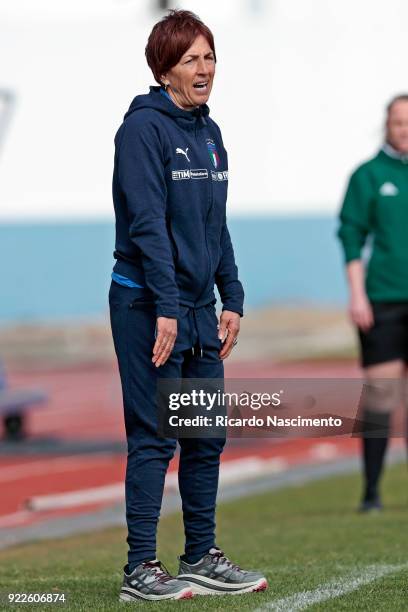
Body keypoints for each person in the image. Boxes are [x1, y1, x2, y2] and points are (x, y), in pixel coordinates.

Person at [109, 9, 268, 602]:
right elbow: (149, 226)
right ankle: (139, 570)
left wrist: (234, 296)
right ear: (164, 69)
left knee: (204, 435)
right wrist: (169, 309)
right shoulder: (142, 132)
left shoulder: (209, 131)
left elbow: (214, 224)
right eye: (190, 60)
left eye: (209, 57)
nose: (204, 70)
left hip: (200, 307)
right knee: (154, 437)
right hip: (148, 305)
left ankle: (200, 554)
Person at [338, 93, 408, 512]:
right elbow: (350, 234)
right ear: (387, 125)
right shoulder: (368, 175)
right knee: (381, 396)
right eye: (399, 122)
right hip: (382, 301)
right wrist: (357, 294)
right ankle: (371, 492)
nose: (405, 130)